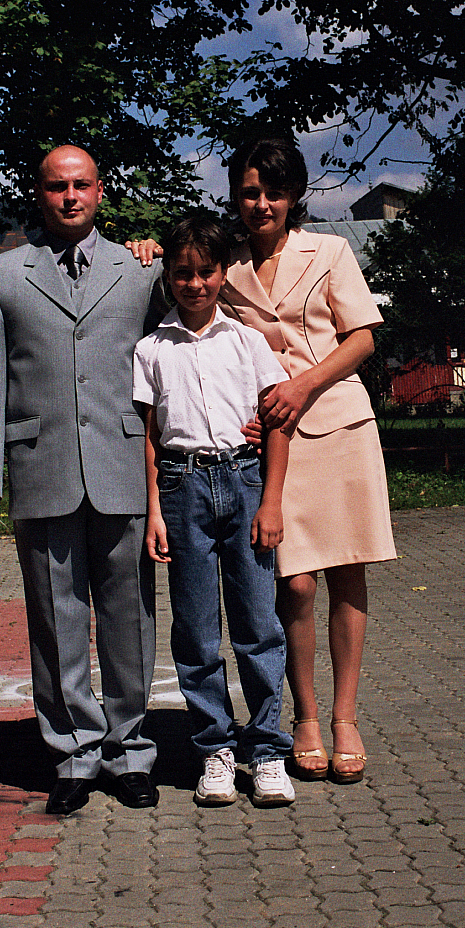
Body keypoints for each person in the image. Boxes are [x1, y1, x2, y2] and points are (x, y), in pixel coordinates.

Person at [0, 145, 167, 815]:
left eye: (81, 185)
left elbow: (175, 358)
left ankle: (130, 749)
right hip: (41, 467)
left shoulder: (142, 269)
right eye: (57, 186)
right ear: (40, 194)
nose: (70, 196)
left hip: (122, 465)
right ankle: (75, 754)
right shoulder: (1, 276)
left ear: (101, 191)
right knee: (55, 618)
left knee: (128, 616)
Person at [219, 138, 397, 784]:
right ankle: (305, 716)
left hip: (338, 423)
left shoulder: (329, 252)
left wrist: (302, 386)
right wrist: (145, 250)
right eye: (249, 191)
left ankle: (345, 717)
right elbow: (195, 329)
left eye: (273, 191)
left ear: (293, 197)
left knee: (347, 573)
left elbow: (362, 339)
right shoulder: (225, 265)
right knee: (292, 582)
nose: (260, 203)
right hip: (274, 443)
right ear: (235, 196)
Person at [133, 212, 296, 807]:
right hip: (182, 490)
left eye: (206, 272)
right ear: (170, 277)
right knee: (197, 632)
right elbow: (151, 437)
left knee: (258, 626)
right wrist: (155, 510)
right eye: (183, 272)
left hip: (245, 482)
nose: (194, 283)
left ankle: (268, 749)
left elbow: (278, 419)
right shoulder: (151, 349)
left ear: (223, 274)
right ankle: (215, 750)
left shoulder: (248, 341)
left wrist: (271, 500)